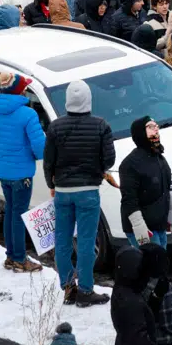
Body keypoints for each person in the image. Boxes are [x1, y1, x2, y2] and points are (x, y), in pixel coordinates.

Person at [44, 78, 115, 306]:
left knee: (62, 240)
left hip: (63, 191)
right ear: (88, 100)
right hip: (88, 191)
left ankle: (67, 287)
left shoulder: (55, 127)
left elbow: (48, 161)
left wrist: (51, 185)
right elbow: (109, 159)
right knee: (85, 242)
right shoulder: (101, 125)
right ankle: (85, 290)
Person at [0, 71, 47, 272]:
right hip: (22, 174)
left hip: (3, 171)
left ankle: (11, 256)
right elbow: (40, 147)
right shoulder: (28, 114)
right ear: (19, 90)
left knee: (11, 211)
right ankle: (20, 259)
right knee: (20, 215)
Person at [120, 116, 172, 248]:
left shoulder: (158, 157)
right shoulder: (130, 164)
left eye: (156, 126)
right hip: (144, 228)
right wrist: (139, 226)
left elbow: (164, 190)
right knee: (152, 266)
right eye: (150, 127)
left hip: (159, 225)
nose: (156, 129)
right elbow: (129, 199)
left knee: (160, 263)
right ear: (140, 133)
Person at [111, 245, 168, 345]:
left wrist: (156, 298)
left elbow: (141, 318)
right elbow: (140, 344)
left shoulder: (123, 289)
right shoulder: (129, 301)